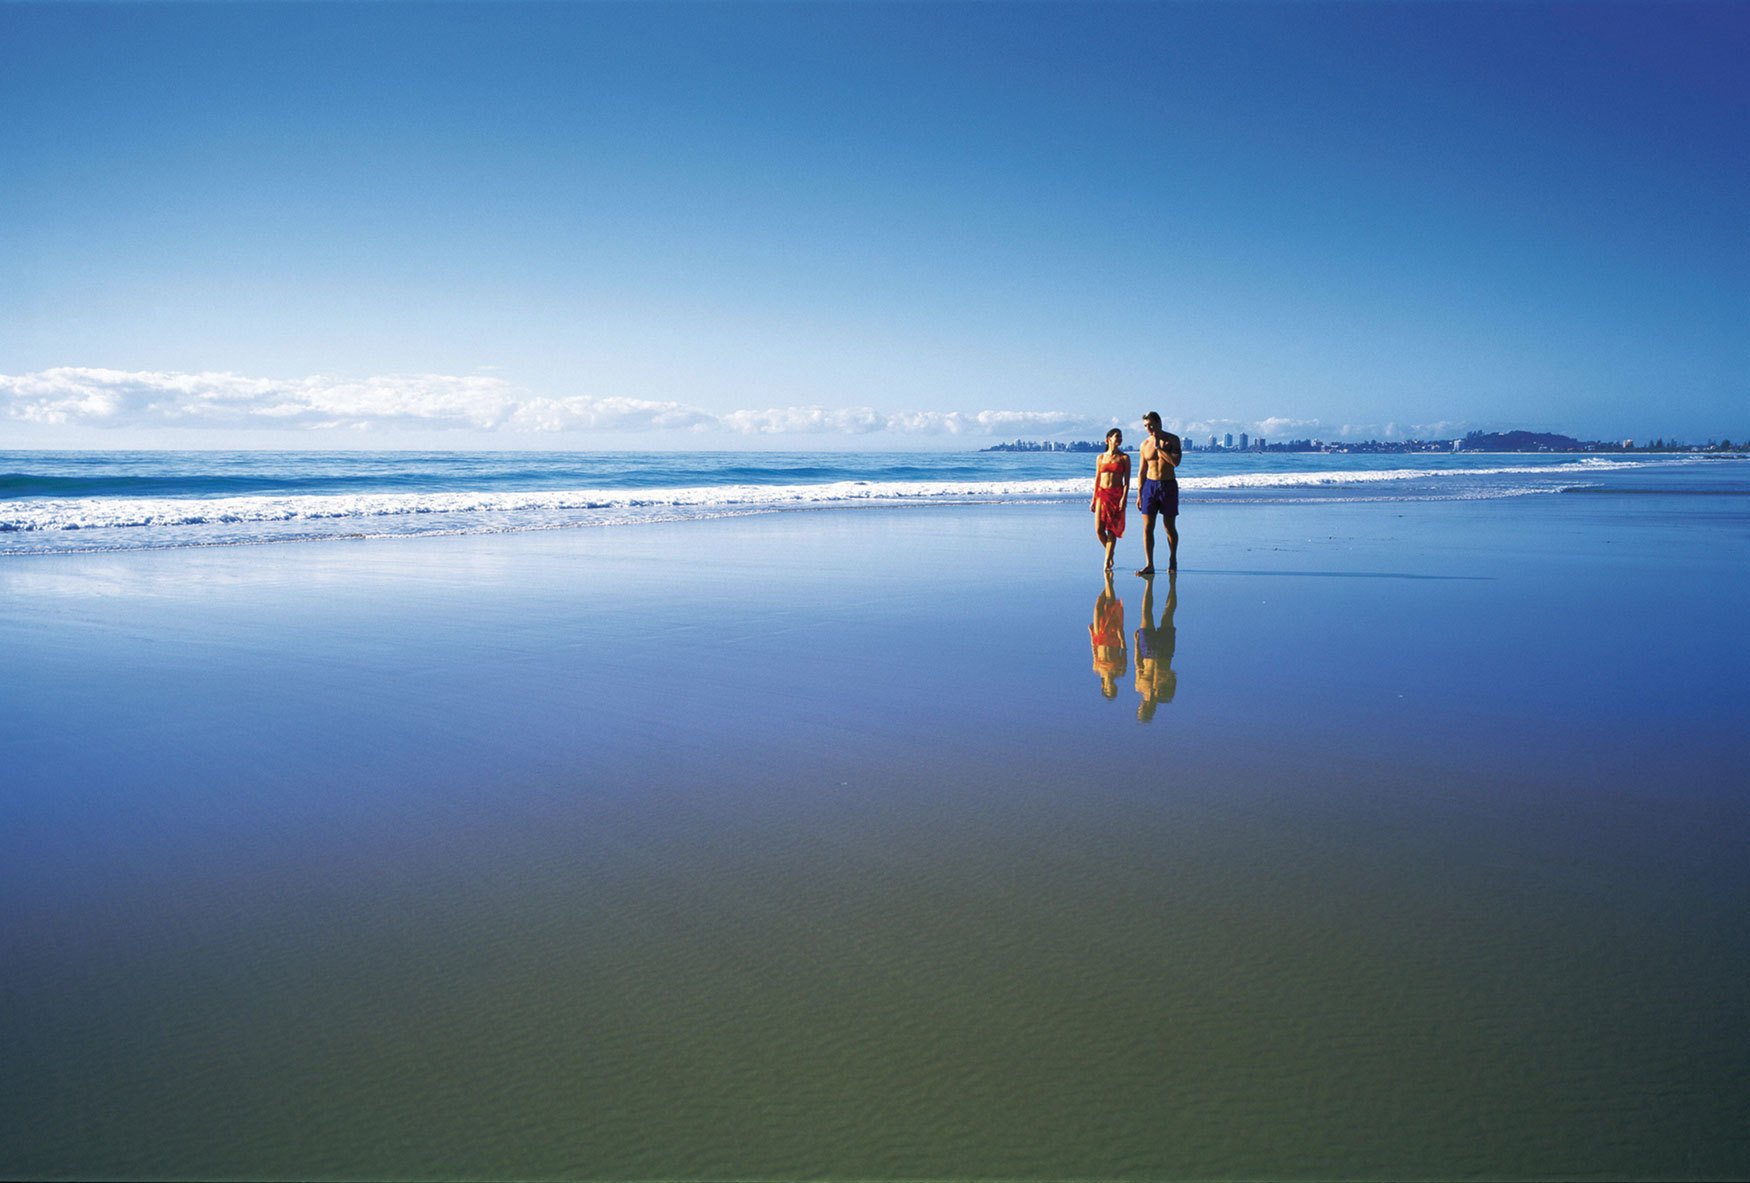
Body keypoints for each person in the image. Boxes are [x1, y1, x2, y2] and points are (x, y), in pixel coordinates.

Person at [1134, 411, 1181, 575]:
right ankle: (1149, 563)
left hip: (1168, 485)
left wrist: (1160, 449)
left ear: (1159, 423)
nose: (1149, 428)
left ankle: (1173, 558)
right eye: (1146, 426)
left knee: (1169, 527)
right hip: (1150, 486)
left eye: (1151, 424)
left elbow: (1175, 462)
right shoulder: (1144, 444)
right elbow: (1141, 471)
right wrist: (1139, 494)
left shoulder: (1172, 440)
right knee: (1147, 527)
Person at [1133, 571, 1178, 723]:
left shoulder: (1139, 687)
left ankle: (1149, 583)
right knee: (1168, 613)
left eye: (1141, 708)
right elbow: (1174, 678)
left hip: (1147, 651)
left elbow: (1138, 664)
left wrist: (1136, 643)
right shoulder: (1166, 695)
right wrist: (1164, 679)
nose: (1142, 706)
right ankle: (1173, 584)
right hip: (1165, 653)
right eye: (1143, 709)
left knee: (1146, 613)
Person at [1089, 427, 1131, 572]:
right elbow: (1097, 479)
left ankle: (1107, 561)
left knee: (1112, 530)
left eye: (1120, 436)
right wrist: (1093, 499)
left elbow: (1127, 481)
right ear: (1108, 439)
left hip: (1116, 495)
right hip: (1102, 494)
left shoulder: (1124, 458)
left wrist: (1124, 498)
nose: (1119, 438)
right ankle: (1110, 553)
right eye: (1116, 436)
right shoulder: (1100, 458)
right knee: (1099, 530)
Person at [1089, 572, 1127, 699]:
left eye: (1109, 689)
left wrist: (1091, 634)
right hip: (1112, 635)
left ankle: (1108, 582)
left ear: (1104, 687)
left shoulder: (1097, 669)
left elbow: (1094, 651)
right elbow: (1124, 652)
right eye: (1113, 689)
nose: (1111, 686)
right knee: (1110, 604)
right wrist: (1122, 637)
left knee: (1098, 606)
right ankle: (1109, 581)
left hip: (1099, 636)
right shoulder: (1120, 671)